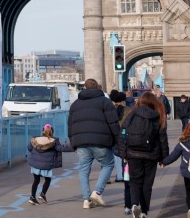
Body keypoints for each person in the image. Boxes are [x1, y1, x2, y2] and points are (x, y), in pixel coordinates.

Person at [67, 78, 121, 209]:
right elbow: (113, 123)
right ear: (97, 87)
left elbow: (70, 125)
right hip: (101, 141)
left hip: (81, 143)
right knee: (108, 164)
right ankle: (97, 192)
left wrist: (73, 143)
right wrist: (118, 141)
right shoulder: (105, 102)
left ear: (84, 88)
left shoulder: (75, 104)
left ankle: (86, 200)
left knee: (84, 170)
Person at [117, 92, 170, 218]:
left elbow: (122, 135)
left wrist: (123, 153)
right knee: (147, 184)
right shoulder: (158, 116)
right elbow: (162, 138)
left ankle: (134, 204)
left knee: (134, 181)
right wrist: (164, 158)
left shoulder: (130, 115)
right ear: (154, 103)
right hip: (151, 154)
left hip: (133, 153)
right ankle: (145, 212)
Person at [26, 124, 73, 205]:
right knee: (47, 180)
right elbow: (61, 148)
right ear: (52, 132)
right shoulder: (53, 141)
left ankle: (32, 197)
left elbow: (29, 148)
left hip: (36, 164)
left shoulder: (35, 139)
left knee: (36, 180)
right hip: (47, 164)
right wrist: (73, 148)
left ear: (42, 131)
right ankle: (42, 194)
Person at [109, 90, 133, 214]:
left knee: (111, 161)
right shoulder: (129, 110)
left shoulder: (109, 110)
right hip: (125, 142)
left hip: (112, 139)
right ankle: (121, 176)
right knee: (124, 163)